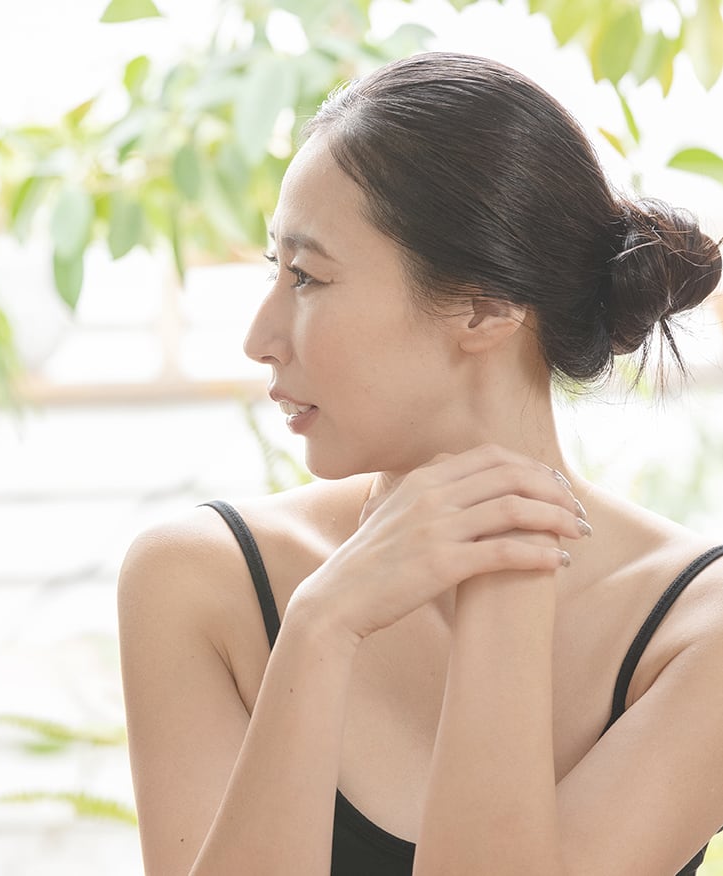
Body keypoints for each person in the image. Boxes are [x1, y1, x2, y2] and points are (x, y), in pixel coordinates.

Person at [119, 51, 723, 876]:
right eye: (274, 270)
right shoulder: (199, 579)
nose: (259, 338)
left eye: (307, 277)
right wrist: (319, 626)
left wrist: (505, 582)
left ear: (485, 309)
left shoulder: (701, 631)